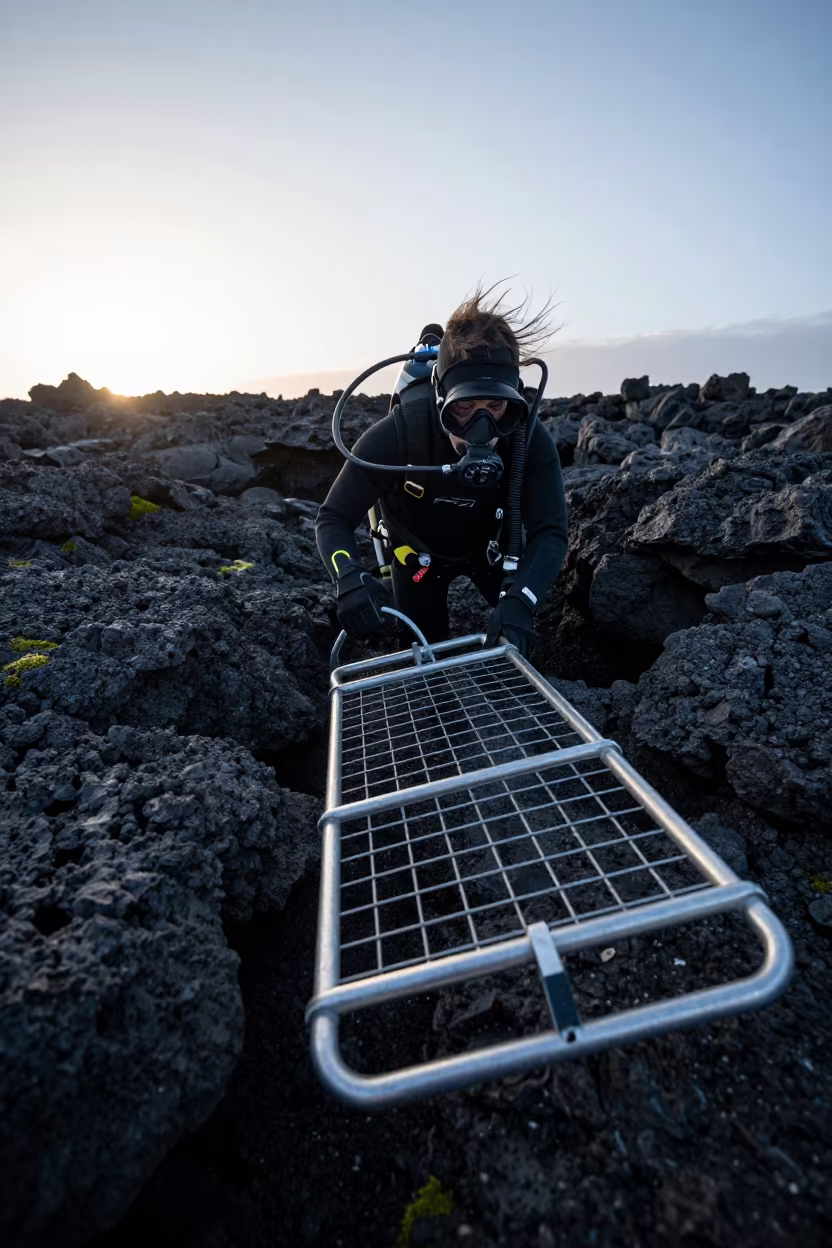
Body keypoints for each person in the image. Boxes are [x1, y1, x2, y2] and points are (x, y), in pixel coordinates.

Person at [315, 287, 568, 657]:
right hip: (417, 561)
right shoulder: (400, 433)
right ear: (440, 397)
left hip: (489, 552)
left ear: (515, 398)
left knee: (527, 636)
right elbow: (333, 517)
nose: (482, 428)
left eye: (496, 406)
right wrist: (349, 578)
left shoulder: (527, 438)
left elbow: (551, 531)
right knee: (424, 659)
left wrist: (522, 598)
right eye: (464, 408)